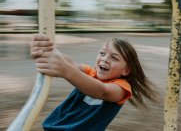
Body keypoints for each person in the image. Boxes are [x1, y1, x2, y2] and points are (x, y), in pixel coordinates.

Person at [30, 34, 159, 131]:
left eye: (114, 58)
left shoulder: (121, 88)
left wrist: (66, 71)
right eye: (102, 53)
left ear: (126, 70)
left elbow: (101, 91)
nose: (105, 59)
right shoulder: (91, 73)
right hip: (57, 126)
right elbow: (71, 63)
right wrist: (49, 51)